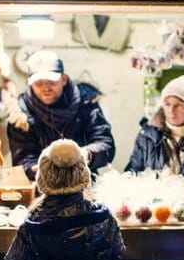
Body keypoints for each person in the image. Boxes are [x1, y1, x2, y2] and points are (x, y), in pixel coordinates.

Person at [7, 50, 115, 181]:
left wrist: (86, 154)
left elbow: (106, 144)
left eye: (51, 81)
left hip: (84, 182)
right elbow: (22, 160)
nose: (45, 88)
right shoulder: (21, 114)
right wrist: (41, 169)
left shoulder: (86, 102)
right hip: (42, 186)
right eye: (38, 83)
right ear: (30, 83)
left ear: (63, 79)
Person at [125, 74, 184, 178]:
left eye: (178, 105)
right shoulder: (147, 136)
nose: (171, 110)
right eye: (167, 104)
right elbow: (133, 172)